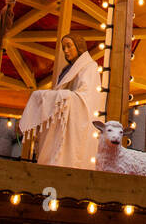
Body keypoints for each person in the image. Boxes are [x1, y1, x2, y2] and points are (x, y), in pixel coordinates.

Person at [18, 33, 104, 169]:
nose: (66, 51)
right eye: (63, 47)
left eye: (69, 46)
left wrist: (61, 98)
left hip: (76, 124)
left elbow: (85, 97)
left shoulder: (90, 67)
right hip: (61, 121)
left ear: (79, 47)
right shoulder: (65, 70)